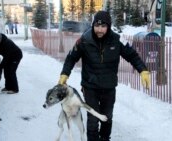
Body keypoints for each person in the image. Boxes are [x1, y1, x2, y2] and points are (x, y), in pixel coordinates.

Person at [58, 11, 150, 141]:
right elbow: (71, 58)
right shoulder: (84, 40)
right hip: (90, 86)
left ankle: (105, 138)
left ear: (109, 26)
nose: (99, 30)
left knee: (107, 117)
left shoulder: (117, 40)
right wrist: (64, 74)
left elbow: (132, 55)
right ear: (93, 25)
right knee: (93, 118)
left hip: (109, 86)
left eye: (103, 26)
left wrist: (143, 70)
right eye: (97, 26)